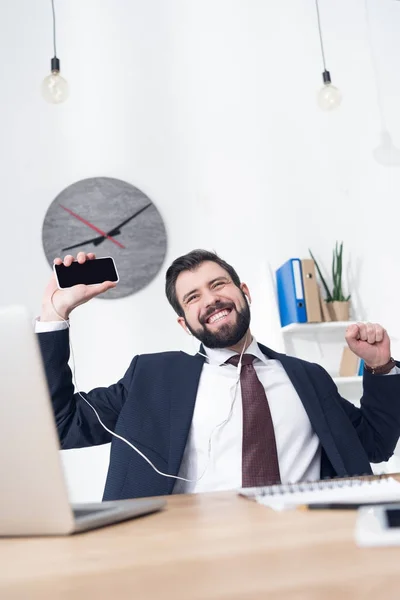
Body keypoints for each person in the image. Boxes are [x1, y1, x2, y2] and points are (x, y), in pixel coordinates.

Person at [37, 249, 400, 501]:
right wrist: (55, 314)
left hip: (304, 536)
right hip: (191, 547)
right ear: (184, 322)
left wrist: (381, 367)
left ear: (244, 293)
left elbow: (375, 444)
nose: (209, 299)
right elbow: (62, 427)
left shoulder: (308, 377)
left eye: (218, 284)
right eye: (192, 297)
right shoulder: (152, 378)